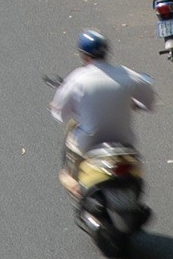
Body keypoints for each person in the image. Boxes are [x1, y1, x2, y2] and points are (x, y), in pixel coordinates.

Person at [49, 31, 156, 184]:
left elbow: (59, 113)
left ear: (84, 55)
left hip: (88, 144)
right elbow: (149, 101)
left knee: (66, 169)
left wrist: (57, 107)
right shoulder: (126, 75)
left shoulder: (77, 78)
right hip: (125, 141)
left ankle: (74, 185)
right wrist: (136, 104)